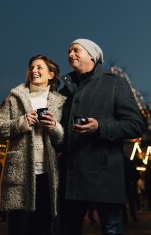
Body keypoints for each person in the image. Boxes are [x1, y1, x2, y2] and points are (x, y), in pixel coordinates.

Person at [59, 39, 145, 235]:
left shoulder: (114, 83)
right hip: (72, 174)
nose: (70, 54)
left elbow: (136, 125)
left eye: (76, 50)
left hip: (104, 172)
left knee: (111, 228)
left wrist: (101, 126)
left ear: (91, 55)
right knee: (69, 229)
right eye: (69, 51)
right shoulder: (65, 89)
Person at [0, 55, 65, 235]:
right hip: (20, 173)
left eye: (39, 67)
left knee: (43, 227)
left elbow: (63, 141)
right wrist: (21, 123)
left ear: (51, 74)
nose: (34, 71)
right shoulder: (15, 97)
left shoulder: (60, 102)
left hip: (48, 175)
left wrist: (55, 127)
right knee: (18, 227)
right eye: (31, 67)